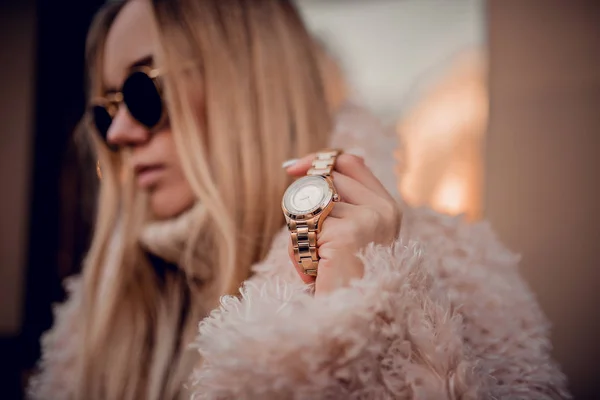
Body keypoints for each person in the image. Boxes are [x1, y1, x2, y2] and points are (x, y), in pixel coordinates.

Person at [28, 0, 570, 399]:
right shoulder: (102, 314)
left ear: (249, 85)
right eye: (106, 109)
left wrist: (353, 318)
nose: (119, 132)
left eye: (144, 92)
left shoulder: (449, 271)